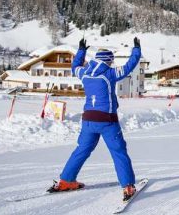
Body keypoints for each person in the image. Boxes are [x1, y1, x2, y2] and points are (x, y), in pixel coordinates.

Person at [48, 37, 142, 201]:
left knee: (81, 150)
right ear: (108, 61)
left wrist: (81, 51)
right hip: (107, 121)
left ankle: (65, 181)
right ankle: (127, 186)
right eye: (111, 61)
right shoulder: (110, 73)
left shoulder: (84, 72)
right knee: (118, 152)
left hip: (88, 121)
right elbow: (129, 66)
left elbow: (74, 66)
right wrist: (136, 50)